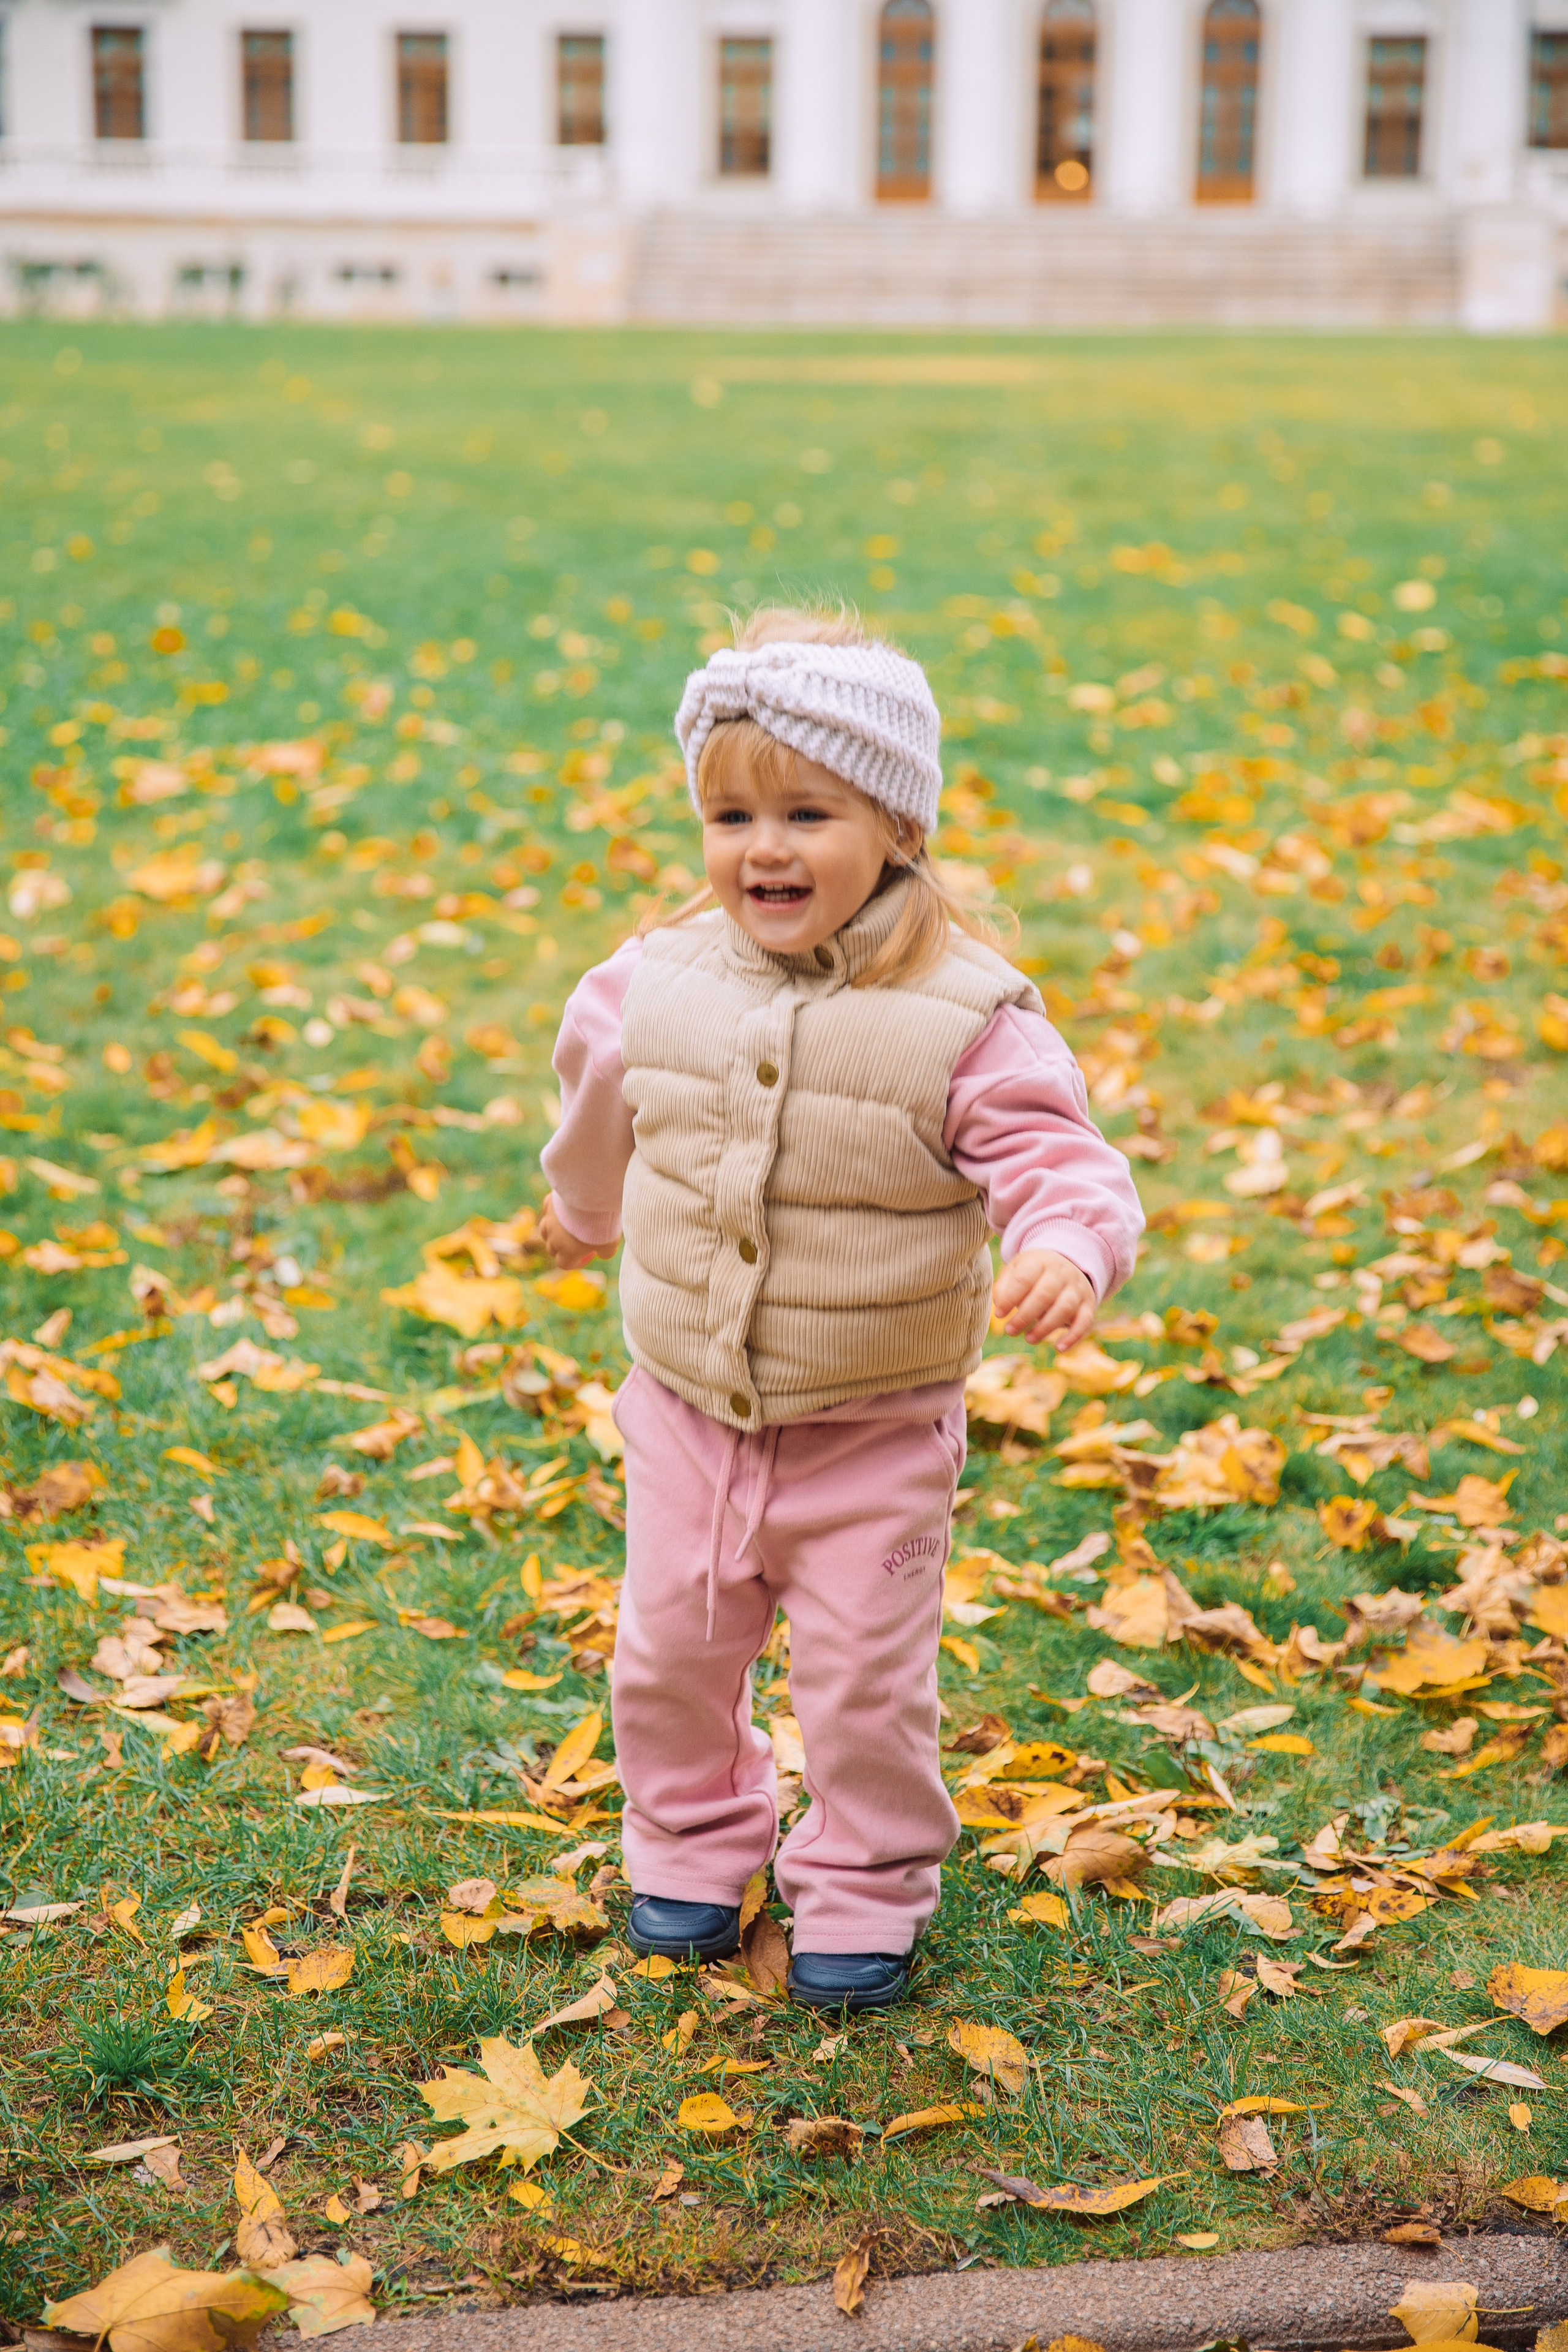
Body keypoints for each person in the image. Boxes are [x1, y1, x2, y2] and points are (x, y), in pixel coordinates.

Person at [538, 606, 1144, 2013]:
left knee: (865, 1686)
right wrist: (578, 1210)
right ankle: (687, 1847)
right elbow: (595, 1101)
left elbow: (1062, 1160)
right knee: (669, 1652)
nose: (762, 847)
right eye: (729, 813)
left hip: (870, 1427)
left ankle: (863, 1886)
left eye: (805, 812)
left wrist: (1065, 1240)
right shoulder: (653, 977)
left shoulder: (966, 1015)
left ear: (896, 825)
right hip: (686, 1404)